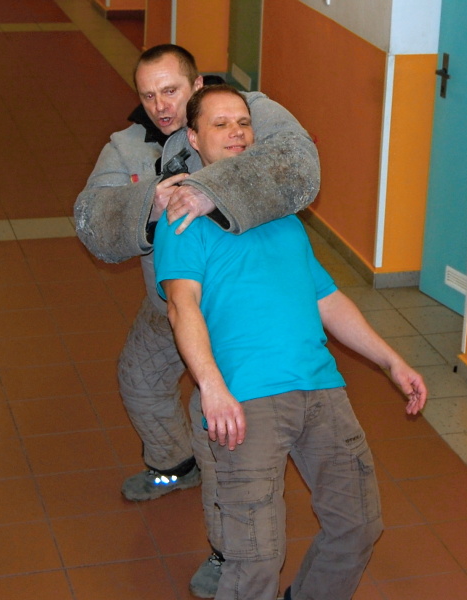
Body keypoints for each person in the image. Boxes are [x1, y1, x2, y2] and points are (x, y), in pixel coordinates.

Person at [154, 84, 428, 600]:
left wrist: (392, 362)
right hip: (246, 401)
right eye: (220, 124)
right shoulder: (183, 217)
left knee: (358, 526)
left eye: (243, 122)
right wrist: (212, 388)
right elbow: (180, 307)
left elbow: (327, 299)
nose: (236, 132)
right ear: (193, 137)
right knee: (255, 560)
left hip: (322, 391)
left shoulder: (279, 214)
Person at [74, 45, 319, 597]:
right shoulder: (127, 146)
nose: (160, 106)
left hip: (240, 314)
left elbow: (300, 165)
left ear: (198, 84)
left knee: (218, 430)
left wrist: (210, 192)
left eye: (171, 91)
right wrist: (148, 204)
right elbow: (90, 218)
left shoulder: (243, 113)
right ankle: (174, 462)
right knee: (139, 380)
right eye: (148, 95)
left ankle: (229, 552)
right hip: (172, 305)